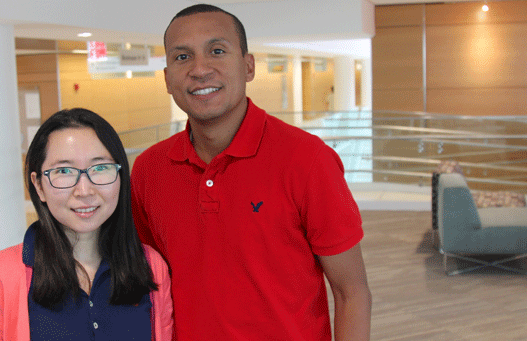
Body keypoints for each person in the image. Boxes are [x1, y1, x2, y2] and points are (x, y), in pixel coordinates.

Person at [131, 4, 371, 341]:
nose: (200, 69)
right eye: (182, 57)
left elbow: (352, 293)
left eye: (217, 51)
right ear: (168, 78)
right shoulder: (148, 170)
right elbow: (148, 284)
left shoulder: (308, 160)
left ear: (248, 66)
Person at [0, 108, 173, 340]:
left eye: (100, 168)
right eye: (64, 171)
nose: (84, 191)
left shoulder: (151, 266)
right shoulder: (0, 274)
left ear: (120, 176)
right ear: (39, 186)